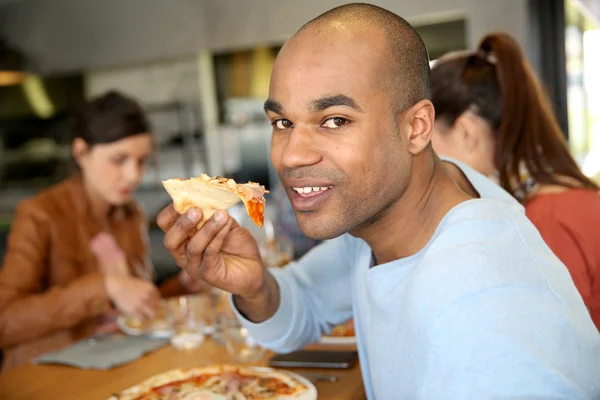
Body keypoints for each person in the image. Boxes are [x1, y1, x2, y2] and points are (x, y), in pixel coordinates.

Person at [158, 4, 600, 399]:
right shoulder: (401, 207)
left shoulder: (485, 310)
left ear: (416, 127)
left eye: (334, 120)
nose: (291, 155)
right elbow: (304, 305)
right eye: (282, 121)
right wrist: (255, 287)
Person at [0, 91, 206, 371]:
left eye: (142, 160)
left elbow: (131, 311)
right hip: (55, 378)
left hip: (122, 365)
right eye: (119, 160)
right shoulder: (39, 215)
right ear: (81, 152)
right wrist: (104, 286)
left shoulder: (130, 213)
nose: (134, 175)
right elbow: (6, 322)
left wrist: (183, 287)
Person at [429, 32, 600, 330]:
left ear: (467, 134)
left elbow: (549, 344)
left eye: (429, 144)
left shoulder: (545, 223)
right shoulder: (567, 199)